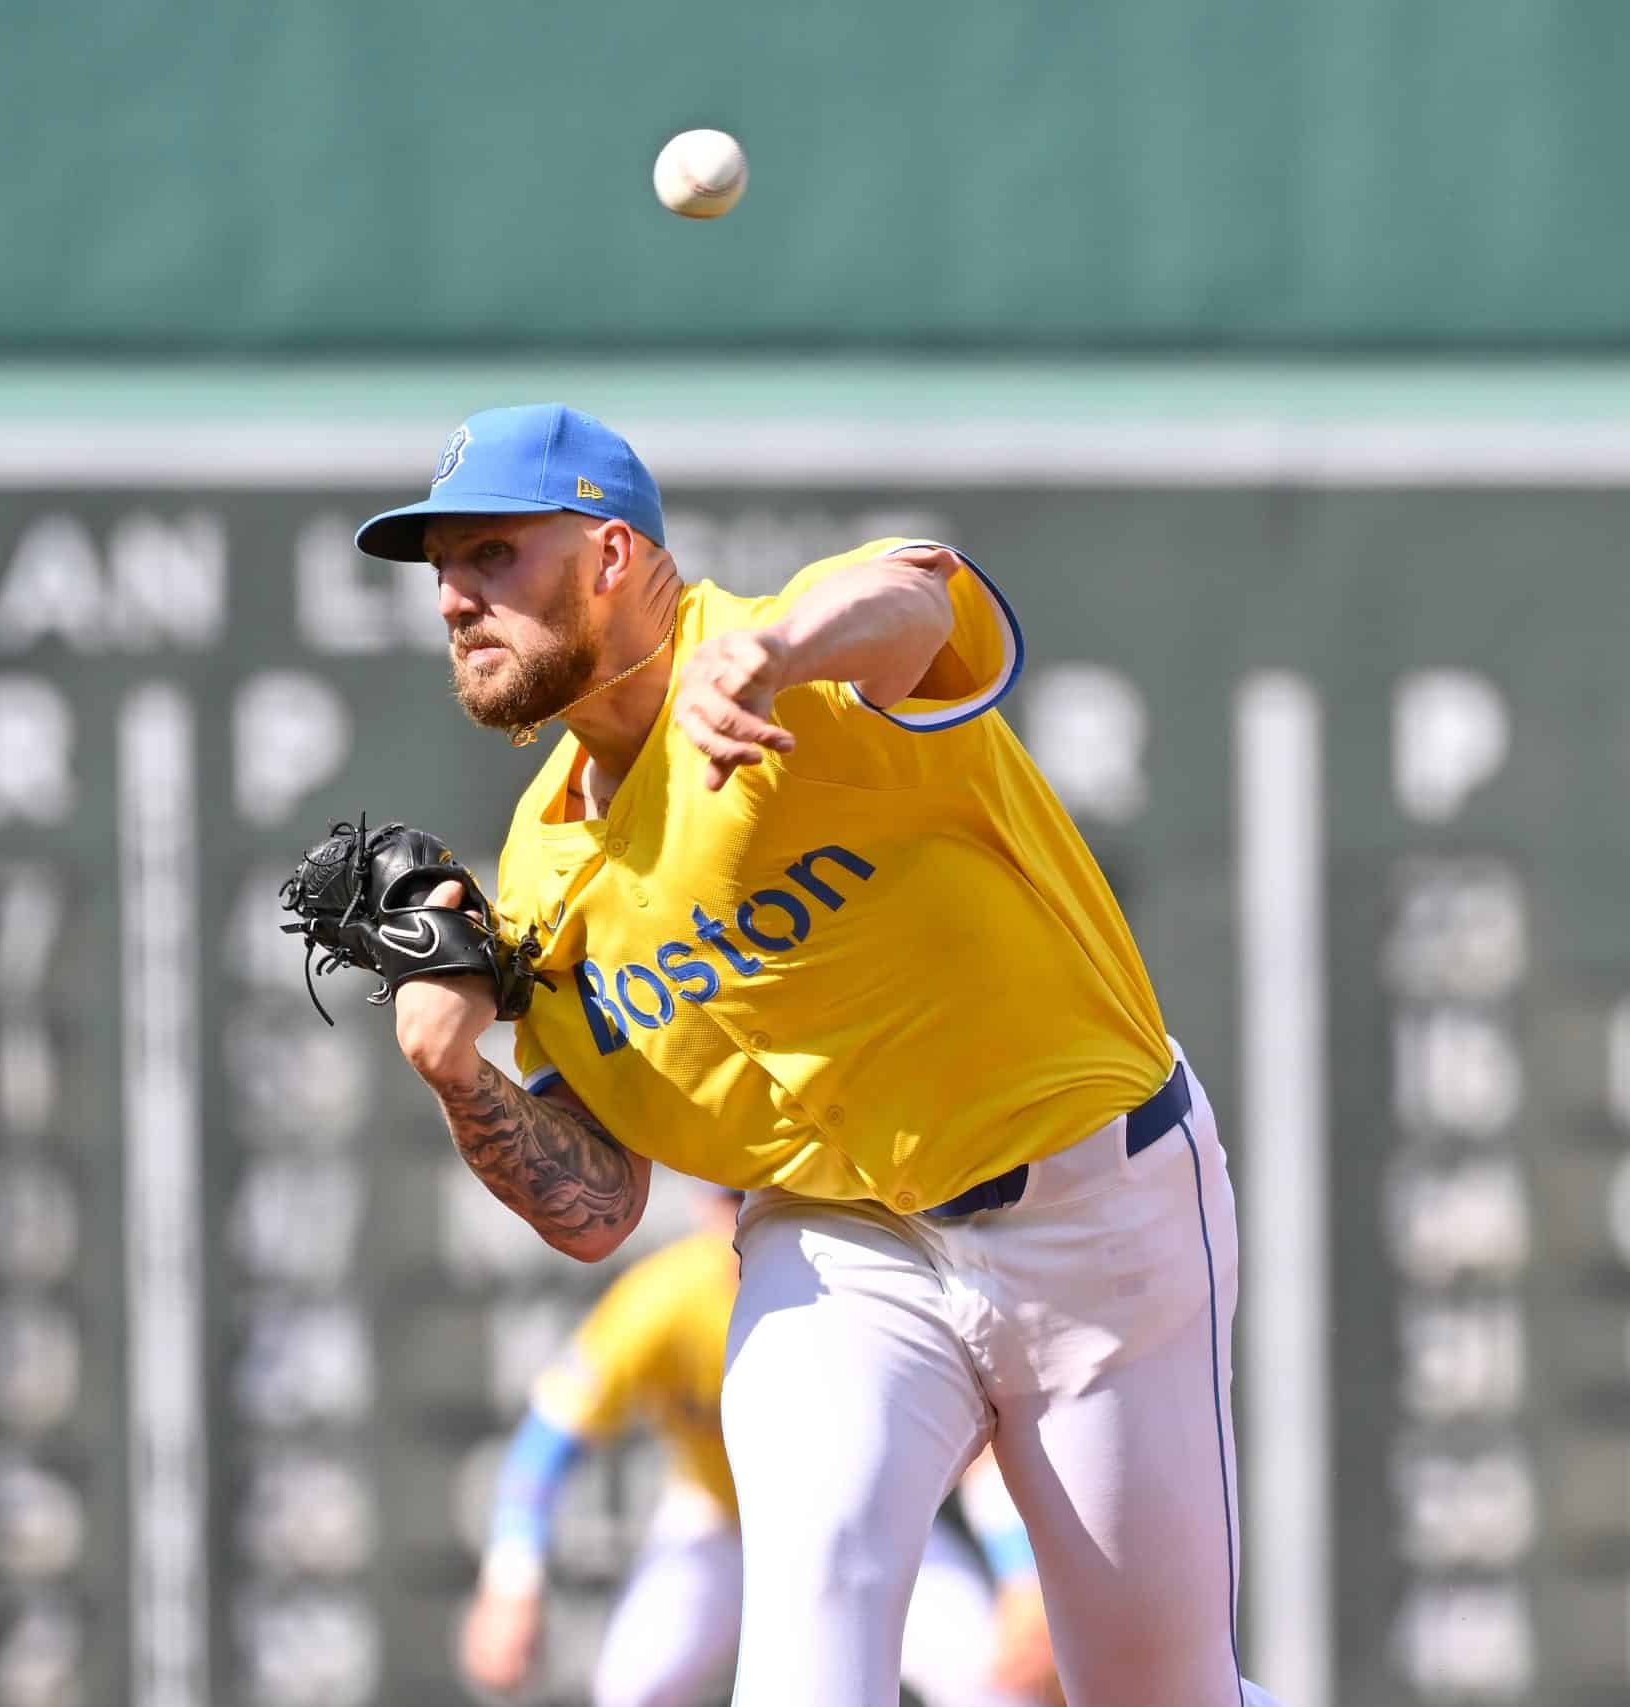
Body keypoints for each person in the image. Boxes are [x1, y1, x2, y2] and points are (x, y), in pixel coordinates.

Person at [355, 404, 1283, 1707]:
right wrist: (459, 1071)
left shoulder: (789, 648)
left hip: (1094, 1206)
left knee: (1156, 1693)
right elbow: (600, 1201)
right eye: (441, 567)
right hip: (844, 1245)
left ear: (612, 552)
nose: (453, 596)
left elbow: (915, 593)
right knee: (803, 1667)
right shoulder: (542, 866)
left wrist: (779, 651)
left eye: (492, 552)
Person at [461, 1188, 1059, 1707]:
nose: (744, 1214)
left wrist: (1024, 1577)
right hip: (722, 1527)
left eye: (758, 1192)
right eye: (728, 1197)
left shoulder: (874, 1291)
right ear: (702, 1204)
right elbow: (546, 1443)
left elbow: (980, 1454)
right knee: (632, 1688)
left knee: (998, 1683)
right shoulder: (664, 1300)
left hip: (874, 1516)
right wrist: (512, 1582)